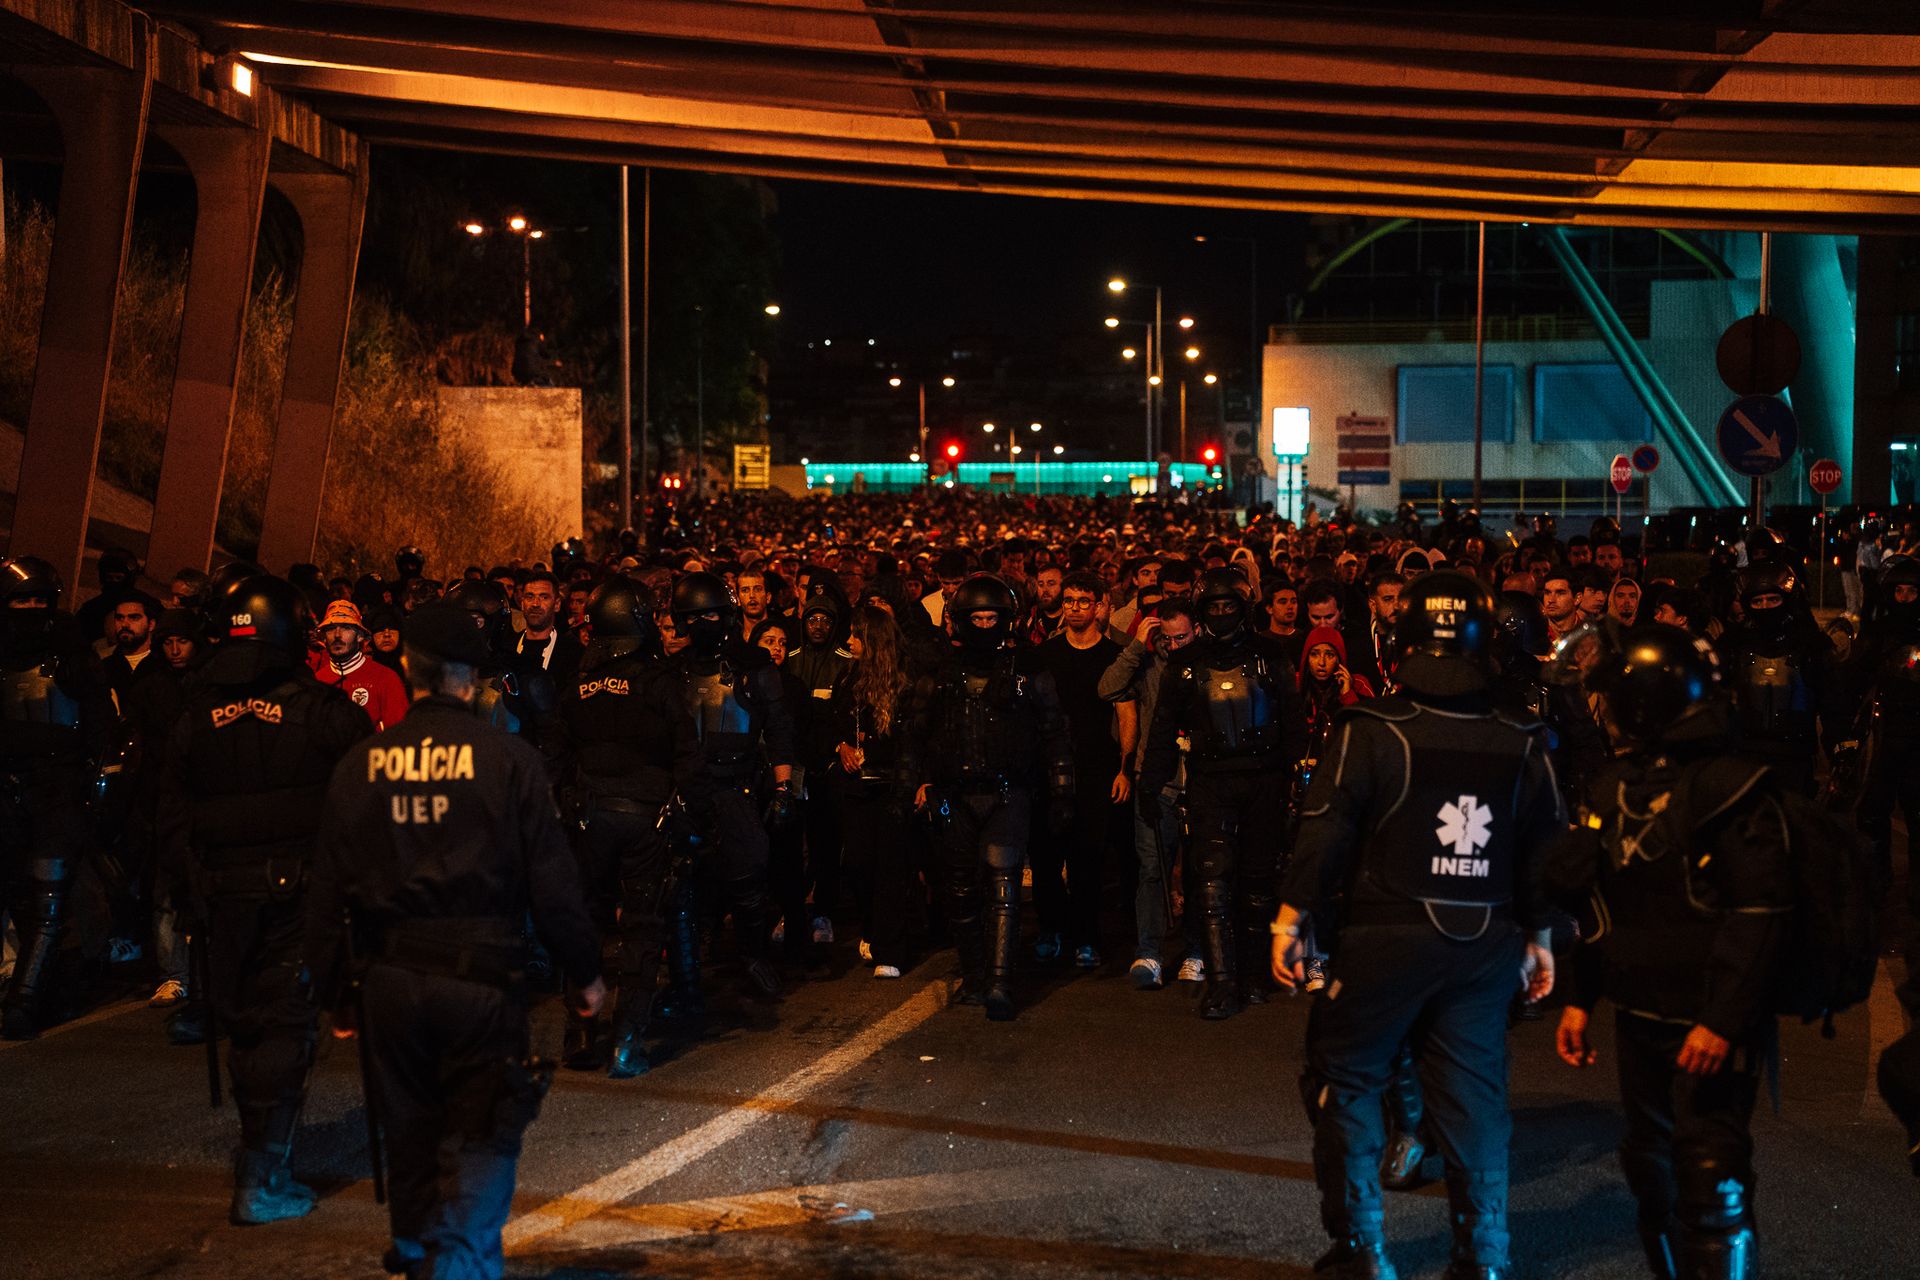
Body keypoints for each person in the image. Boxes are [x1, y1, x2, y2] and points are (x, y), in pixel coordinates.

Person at [1272, 570, 1562, 1280]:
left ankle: (1362, 1250)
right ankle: (1484, 1258)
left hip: (1385, 936)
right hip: (1484, 942)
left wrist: (1292, 914)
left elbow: (1326, 826)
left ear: (1403, 641)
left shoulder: (1370, 729)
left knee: (1343, 1080)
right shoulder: (1522, 737)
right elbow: (1544, 850)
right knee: (1475, 1101)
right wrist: (1541, 937)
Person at [305, 601, 605, 1278]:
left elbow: (327, 890)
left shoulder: (362, 763)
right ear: (472, 678)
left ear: (409, 669)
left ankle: (417, 1245)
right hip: (481, 977)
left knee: (408, 1121)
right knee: (479, 1128)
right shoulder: (509, 760)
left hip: (390, 977)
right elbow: (553, 884)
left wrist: (334, 991)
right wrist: (584, 974)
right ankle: (460, 1258)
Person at [1546, 625, 1792, 1280]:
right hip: (1639, 1011)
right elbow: (1598, 902)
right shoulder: (1613, 788)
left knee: (1709, 1174)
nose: (1606, 716)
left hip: (1707, 1020)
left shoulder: (1730, 788)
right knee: (1650, 1166)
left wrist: (1722, 1020)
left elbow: (1760, 911)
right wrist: (1579, 998)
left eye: (1615, 702)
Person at [158, 575, 370, 1223]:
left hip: (222, 896)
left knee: (248, 1021)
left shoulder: (193, 717)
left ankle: (263, 1154)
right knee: (282, 1023)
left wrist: (189, 892)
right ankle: (263, 1175)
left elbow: (169, 817)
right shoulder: (325, 711)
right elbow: (369, 800)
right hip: (298, 893)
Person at [545, 577, 708, 1078]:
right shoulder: (658, 683)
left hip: (588, 818)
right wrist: (687, 816)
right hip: (644, 819)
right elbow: (688, 755)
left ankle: (580, 1033)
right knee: (641, 927)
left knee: (586, 922)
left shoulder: (577, 686)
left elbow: (555, 755)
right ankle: (626, 1043)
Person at [1141, 566, 1307, 1019]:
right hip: (1210, 781)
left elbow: (1293, 718)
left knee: (1257, 881)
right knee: (1212, 881)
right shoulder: (1185, 663)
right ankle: (1221, 983)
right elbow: (1162, 728)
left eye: (1227, 606)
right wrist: (1150, 782)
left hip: (1264, 779)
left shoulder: (1270, 655)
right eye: (1212, 607)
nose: (1220, 614)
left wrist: (1298, 774)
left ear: (1243, 609)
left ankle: (1253, 976)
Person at [914, 574, 1074, 1020]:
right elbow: (917, 733)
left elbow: (1055, 732)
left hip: (1008, 792)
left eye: (991, 618)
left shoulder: (1028, 668)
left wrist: (1062, 792)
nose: (984, 625)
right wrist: (913, 786)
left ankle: (1001, 982)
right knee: (960, 889)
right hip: (955, 794)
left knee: (1004, 885)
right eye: (977, 618)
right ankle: (974, 975)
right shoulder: (941, 672)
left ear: (1005, 619)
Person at [663, 572, 795, 1006]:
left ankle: (753, 956)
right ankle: (688, 967)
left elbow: (779, 730)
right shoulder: (672, 671)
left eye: (711, 615)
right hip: (686, 788)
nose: (702, 623)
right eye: (693, 616)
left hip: (737, 786)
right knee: (683, 881)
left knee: (747, 879)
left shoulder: (754, 666)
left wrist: (783, 788)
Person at [0, 557, 115, 1039]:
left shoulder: (73, 655)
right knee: (15, 893)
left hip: (58, 787)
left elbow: (101, 725)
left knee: (50, 897)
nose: (32, 608)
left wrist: (92, 782)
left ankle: (25, 1002)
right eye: (22, 600)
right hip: (6, 786)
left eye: (40, 600)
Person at [1032, 571, 1135, 968]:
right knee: (1045, 858)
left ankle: (1086, 937)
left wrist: (1124, 768)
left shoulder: (1113, 656)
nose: (1075, 608)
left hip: (1097, 768)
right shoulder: (1046, 654)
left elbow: (1126, 714)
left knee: (1087, 860)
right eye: (1070, 601)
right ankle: (1051, 929)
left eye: (1083, 601)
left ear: (1099, 606)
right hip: (1050, 770)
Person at [1100, 599, 1202, 989]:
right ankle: (1150, 953)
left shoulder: (1207, 663)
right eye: (1167, 638)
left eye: (1182, 638)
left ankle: (1196, 951)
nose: (1173, 646)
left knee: (1199, 872)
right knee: (1151, 871)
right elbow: (1108, 687)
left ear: (1196, 631)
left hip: (1198, 783)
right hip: (1155, 783)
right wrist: (1135, 646)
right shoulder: (1147, 664)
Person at [828, 604, 921, 978]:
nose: (849, 642)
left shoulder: (904, 682)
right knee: (858, 864)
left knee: (891, 868)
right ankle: (873, 928)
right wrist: (841, 746)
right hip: (856, 787)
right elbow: (832, 723)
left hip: (891, 785)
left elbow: (910, 739)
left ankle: (892, 949)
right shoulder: (847, 679)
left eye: (856, 635)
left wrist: (878, 753)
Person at [314, 600, 410, 731]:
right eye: (331, 629)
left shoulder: (386, 678)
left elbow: (399, 734)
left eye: (346, 628)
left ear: (360, 636)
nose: (337, 635)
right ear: (324, 637)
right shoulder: (317, 681)